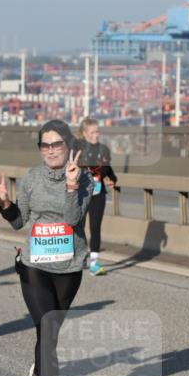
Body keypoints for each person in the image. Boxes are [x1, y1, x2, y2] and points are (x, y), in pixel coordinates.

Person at [0, 119, 91, 376]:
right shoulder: (32, 177)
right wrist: (6, 203)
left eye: (56, 144)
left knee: (49, 333)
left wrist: (72, 185)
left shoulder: (85, 179)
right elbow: (18, 221)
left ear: (69, 146)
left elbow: (74, 218)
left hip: (69, 265)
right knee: (47, 328)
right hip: (34, 264)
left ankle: (37, 374)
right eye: (45, 145)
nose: (50, 151)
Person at [76, 117, 117, 276]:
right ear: (85, 133)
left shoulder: (104, 150)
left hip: (98, 194)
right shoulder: (78, 150)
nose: (96, 135)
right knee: (79, 227)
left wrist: (112, 179)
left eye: (97, 131)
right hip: (81, 193)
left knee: (95, 227)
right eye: (92, 132)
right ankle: (78, 257)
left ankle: (94, 263)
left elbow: (108, 170)